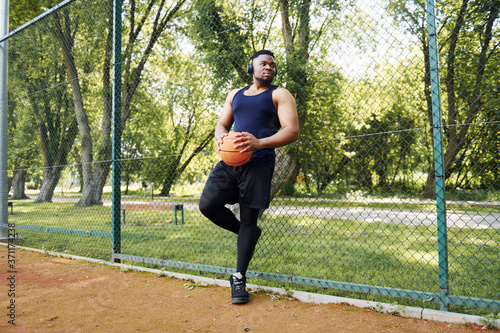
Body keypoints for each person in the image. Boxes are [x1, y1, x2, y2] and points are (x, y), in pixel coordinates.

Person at [199, 50, 299, 304]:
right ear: (251, 67)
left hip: (259, 164)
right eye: (263, 64)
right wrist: (221, 137)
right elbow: (222, 124)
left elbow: (292, 131)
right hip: (229, 161)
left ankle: (238, 277)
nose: (269, 68)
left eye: (272, 65)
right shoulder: (235, 94)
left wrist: (260, 143)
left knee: (248, 219)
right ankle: (250, 234)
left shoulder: (280, 94)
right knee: (207, 204)